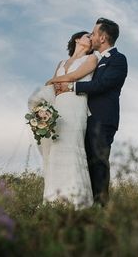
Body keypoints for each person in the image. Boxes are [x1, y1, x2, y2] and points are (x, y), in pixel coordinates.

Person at [52, 18, 128, 206]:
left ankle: (100, 206)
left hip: (102, 118)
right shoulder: (92, 59)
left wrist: (72, 87)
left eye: (93, 33)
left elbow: (103, 84)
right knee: (84, 162)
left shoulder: (118, 59)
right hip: (83, 119)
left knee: (98, 162)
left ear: (102, 38)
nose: (91, 36)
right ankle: (83, 203)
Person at [36, 31, 97, 209]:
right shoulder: (61, 63)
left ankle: (77, 200)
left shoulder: (91, 59)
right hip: (59, 105)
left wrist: (51, 80)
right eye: (88, 35)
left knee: (72, 146)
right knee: (56, 147)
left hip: (76, 104)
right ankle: (53, 199)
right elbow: (54, 90)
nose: (91, 39)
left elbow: (73, 76)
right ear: (77, 39)